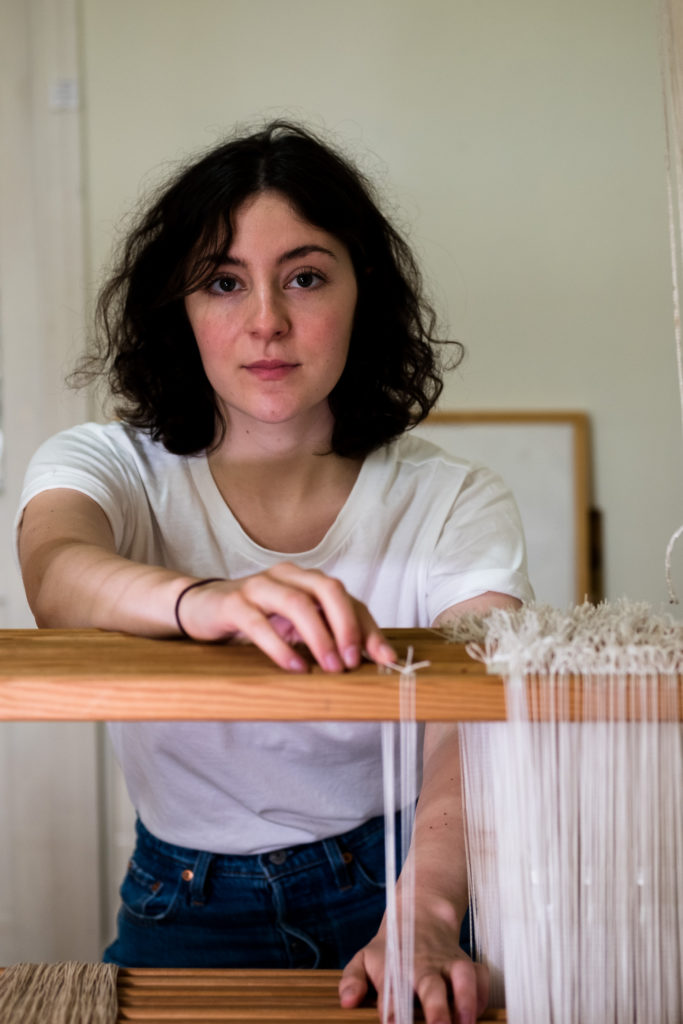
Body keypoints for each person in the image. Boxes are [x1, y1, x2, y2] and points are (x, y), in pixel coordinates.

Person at [16, 121, 532, 1024]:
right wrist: (199, 602)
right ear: (177, 308)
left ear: (360, 294)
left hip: (406, 879)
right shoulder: (108, 464)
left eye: (304, 276)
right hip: (181, 901)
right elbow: (57, 572)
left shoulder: (455, 499)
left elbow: (475, 722)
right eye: (223, 281)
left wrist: (428, 909)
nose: (266, 321)